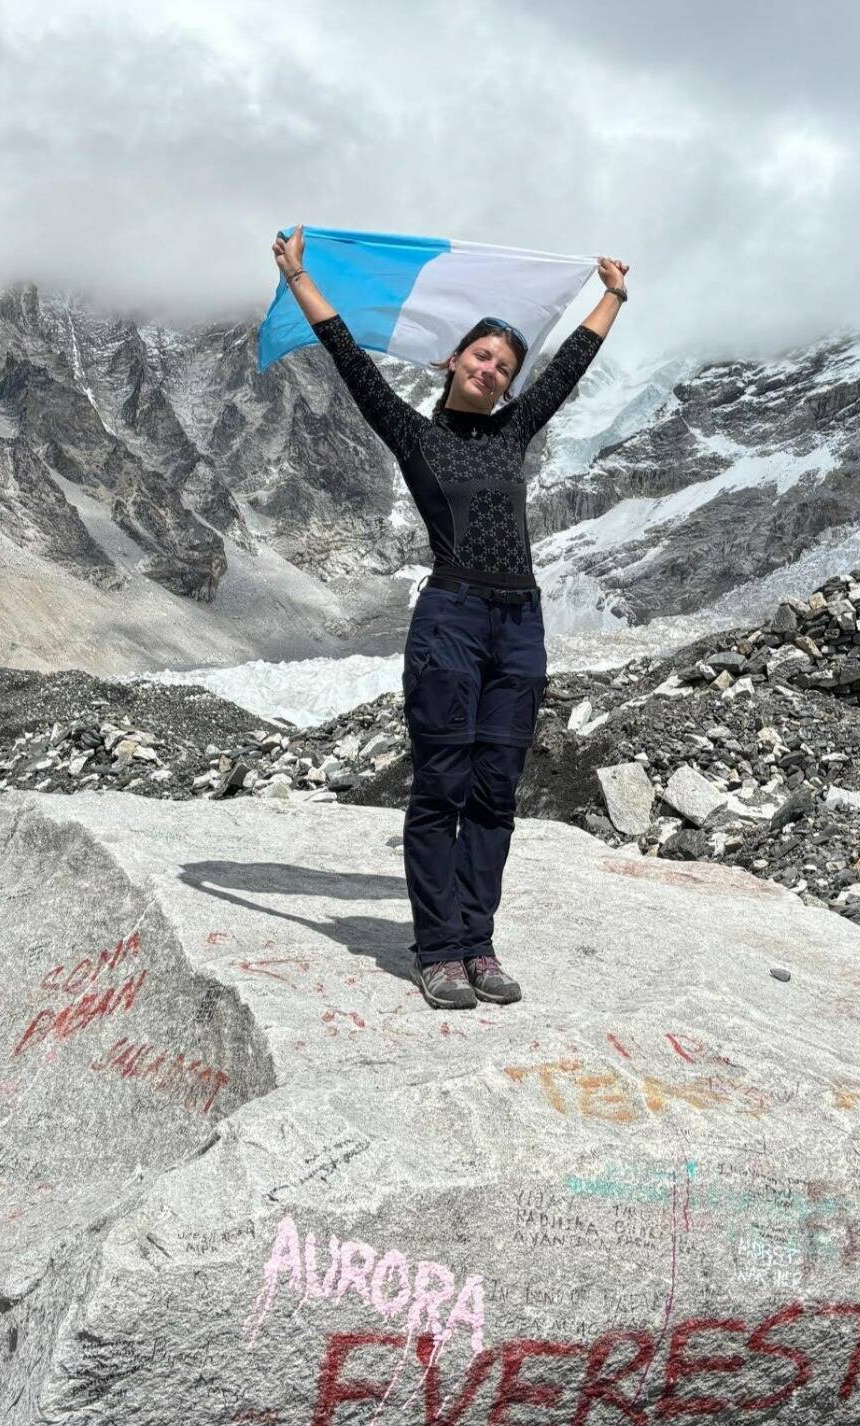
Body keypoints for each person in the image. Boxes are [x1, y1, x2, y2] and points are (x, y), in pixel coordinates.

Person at [270, 225, 628, 1009]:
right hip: (451, 618)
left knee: (497, 790)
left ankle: (480, 943)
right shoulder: (415, 436)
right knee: (442, 787)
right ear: (454, 361)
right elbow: (348, 358)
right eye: (481, 355)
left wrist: (613, 295)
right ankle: (438, 949)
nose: (491, 367)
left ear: (506, 385)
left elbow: (570, 365)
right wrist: (300, 278)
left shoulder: (516, 432)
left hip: (518, 625)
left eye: (503, 365)